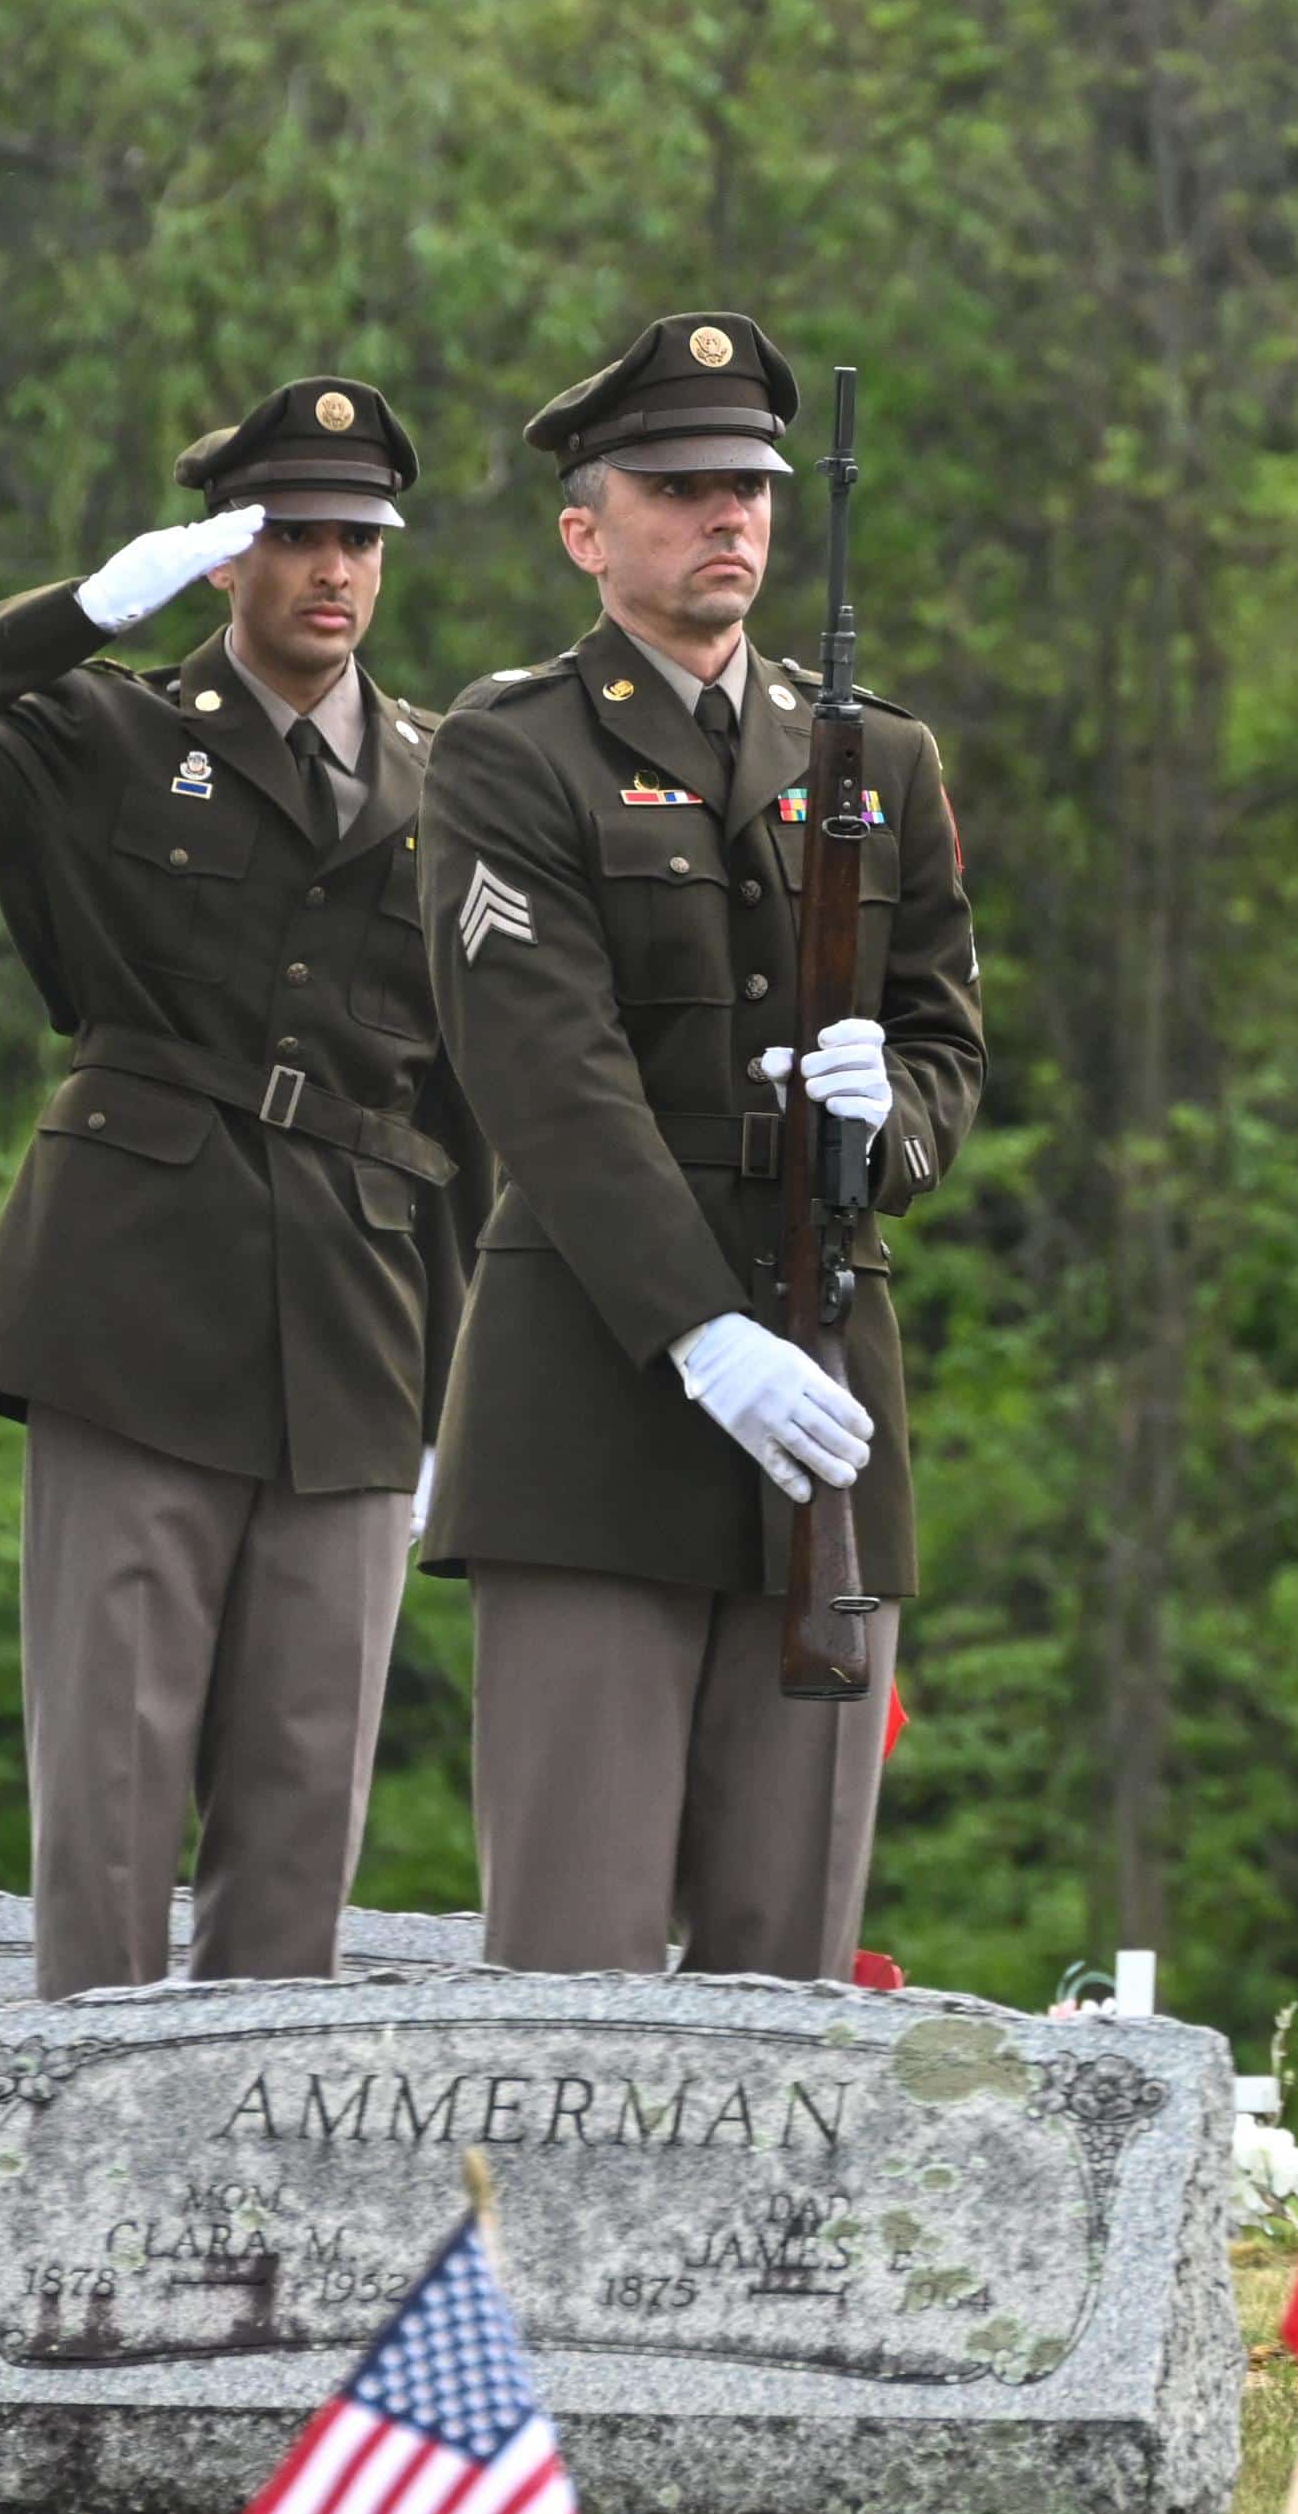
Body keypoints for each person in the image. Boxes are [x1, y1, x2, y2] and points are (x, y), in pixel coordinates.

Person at [0, 378, 469, 1999]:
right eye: (293, 535)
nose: (330, 568)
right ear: (224, 559)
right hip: (131, 1292)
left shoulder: (451, 783)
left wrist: (462, 1383)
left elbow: (470, 1101)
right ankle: (75, 2132)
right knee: (112, 1765)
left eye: (357, 539)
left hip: (360, 1318)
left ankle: (251, 2136)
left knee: (309, 1770)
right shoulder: (105, 735)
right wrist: (80, 614)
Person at [418, 312, 984, 1978]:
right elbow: (547, 1076)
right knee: (576, 1967)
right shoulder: (512, 750)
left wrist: (896, 1131)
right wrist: (695, 1325)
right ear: (588, 532)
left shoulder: (875, 757)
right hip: (596, 1391)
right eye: (679, 487)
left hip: (821, 1392)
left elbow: (948, 1036)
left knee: (790, 1961)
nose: (729, 515)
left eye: (749, 485)